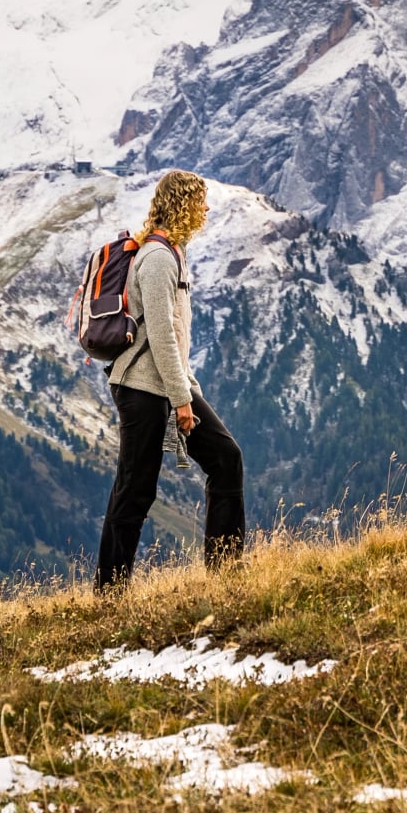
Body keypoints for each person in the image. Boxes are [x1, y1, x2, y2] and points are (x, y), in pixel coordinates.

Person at [95, 170, 245, 588]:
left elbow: (172, 340)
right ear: (182, 205)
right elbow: (161, 335)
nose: (206, 209)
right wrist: (183, 401)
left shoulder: (170, 253)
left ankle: (226, 572)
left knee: (226, 458)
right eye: (200, 201)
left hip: (167, 385)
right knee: (134, 491)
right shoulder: (158, 258)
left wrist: (186, 390)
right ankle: (109, 594)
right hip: (143, 388)